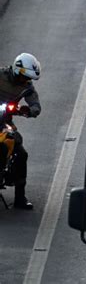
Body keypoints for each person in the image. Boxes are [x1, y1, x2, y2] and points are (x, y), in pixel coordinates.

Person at [0, 53, 41, 209]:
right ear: (17, 70)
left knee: (21, 154)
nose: (25, 80)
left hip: (4, 123)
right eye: (24, 77)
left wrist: (28, 110)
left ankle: (20, 198)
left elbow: (36, 105)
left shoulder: (27, 87)